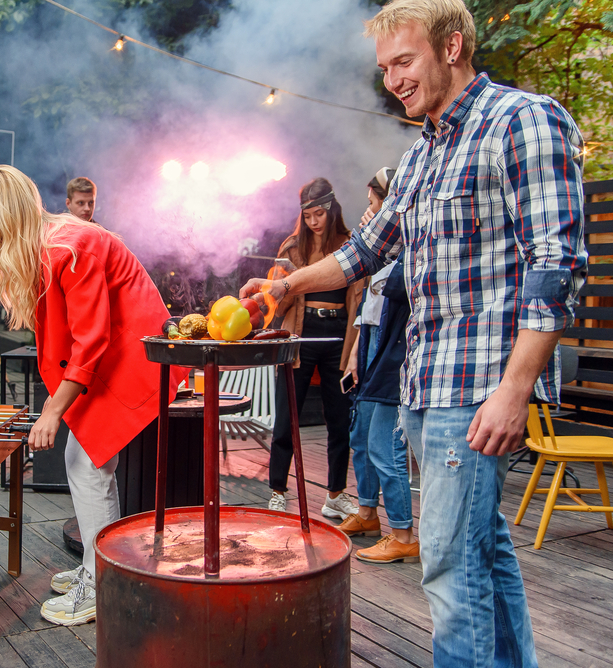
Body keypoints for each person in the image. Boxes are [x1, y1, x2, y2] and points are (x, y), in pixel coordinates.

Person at [242, 1, 587, 664]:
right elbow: (363, 251)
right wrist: (284, 285)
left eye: (404, 61)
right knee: (484, 551)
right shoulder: (422, 155)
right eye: (385, 68)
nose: (392, 79)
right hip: (426, 387)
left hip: (482, 386)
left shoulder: (520, 120)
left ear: (452, 47)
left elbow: (557, 264)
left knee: (453, 570)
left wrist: (514, 391)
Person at [0, 165, 184, 627]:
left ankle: (102, 585)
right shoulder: (51, 242)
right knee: (87, 466)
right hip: (117, 358)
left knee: (87, 465)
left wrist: (53, 411)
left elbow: (92, 339)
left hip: (128, 359)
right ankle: (98, 568)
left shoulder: (70, 246)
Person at [266, 178, 363, 521]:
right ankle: (277, 490)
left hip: (338, 332)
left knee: (339, 421)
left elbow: (358, 299)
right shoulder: (292, 246)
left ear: (331, 210)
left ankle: (335, 494)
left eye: (319, 214)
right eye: (308, 216)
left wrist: (354, 348)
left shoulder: (350, 244)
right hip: (300, 333)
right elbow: (275, 300)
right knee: (286, 416)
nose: (314, 221)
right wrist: (289, 279)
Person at [338, 166, 419, 564]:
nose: (367, 212)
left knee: (384, 446)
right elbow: (366, 306)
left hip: (395, 350)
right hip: (371, 342)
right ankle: (368, 512)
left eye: (373, 204)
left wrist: (382, 242)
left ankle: (403, 532)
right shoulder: (379, 251)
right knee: (361, 437)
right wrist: (355, 352)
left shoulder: (410, 248)